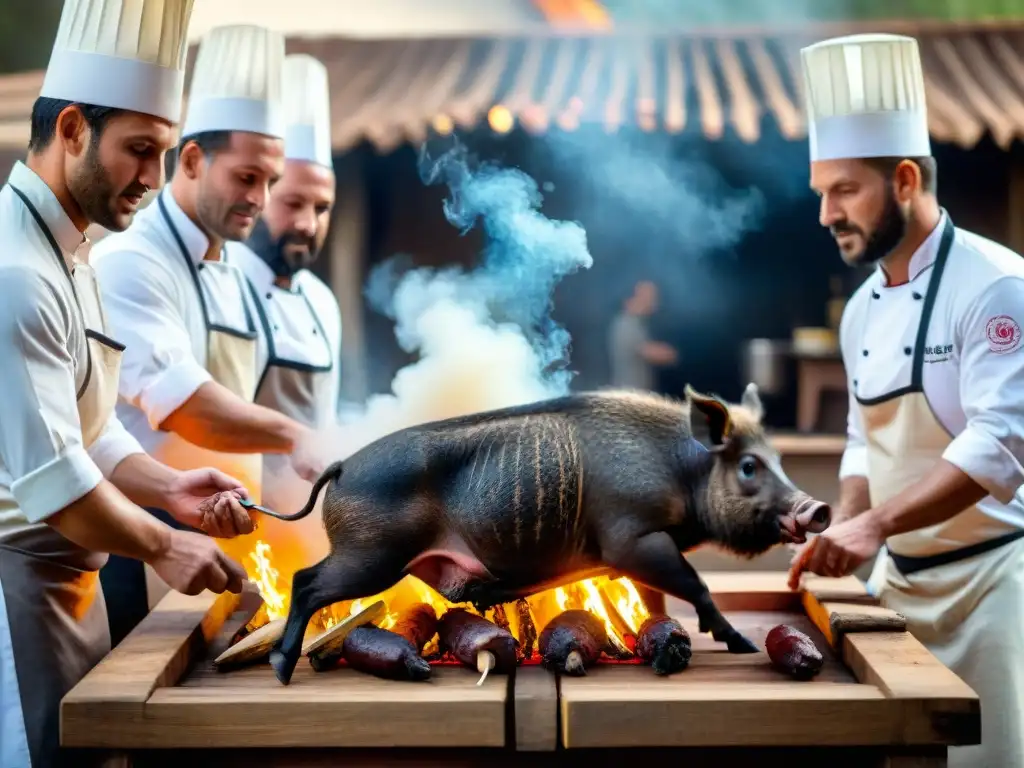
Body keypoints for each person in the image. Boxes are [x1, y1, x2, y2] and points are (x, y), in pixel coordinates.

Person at [0, 2, 254, 766]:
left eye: (163, 152)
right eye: (138, 150)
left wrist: (166, 488)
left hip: (69, 583)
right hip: (12, 600)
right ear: (72, 128)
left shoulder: (73, 248)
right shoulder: (17, 272)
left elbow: (88, 425)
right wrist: (165, 545)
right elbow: (54, 482)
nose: (152, 178)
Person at [786, 33, 1024, 767]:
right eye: (821, 193)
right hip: (897, 589)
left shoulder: (995, 285)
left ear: (905, 181)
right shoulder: (860, 310)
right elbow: (865, 438)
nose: (827, 213)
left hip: (993, 590)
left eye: (844, 190)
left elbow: (1001, 443)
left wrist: (873, 527)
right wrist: (850, 521)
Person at [90, 24, 326, 646]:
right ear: (191, 160)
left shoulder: (232, 270)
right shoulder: (130, 261)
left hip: (223, 540)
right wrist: (296, 436)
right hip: (144, 545)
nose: (261, 198)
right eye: (247, 178)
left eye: (269, 182)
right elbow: (189, 407)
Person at [229, 54, 340, 532]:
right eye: (293, 203)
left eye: (322, 207)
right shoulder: (222, 281)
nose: (307, 224)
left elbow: (327, 423)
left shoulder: (323, 301)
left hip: (303, 523)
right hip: (232, 519)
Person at [607, 279, 677, 391]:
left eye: (653, 297)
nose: (652, 301)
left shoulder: (636, 324)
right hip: (628, 399)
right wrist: (673, 353)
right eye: (647, 297)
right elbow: (653, 353)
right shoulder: (626, 324)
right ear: (629, 300)